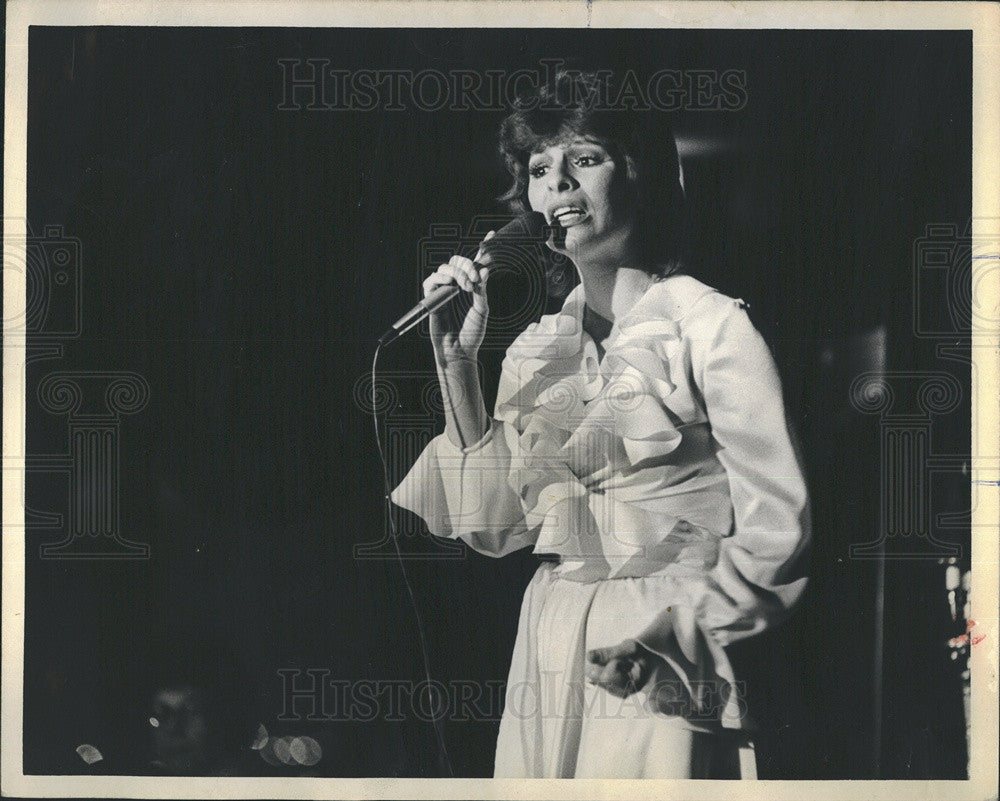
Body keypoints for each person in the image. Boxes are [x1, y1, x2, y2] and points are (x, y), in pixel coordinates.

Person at [390, 70, 811, 779]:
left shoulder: (708, 325)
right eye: (539, 169)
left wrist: (672, 639)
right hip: (551, 639)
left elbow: (779, 528)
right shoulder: (538, 346)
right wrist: (456, 368)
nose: (558, 185)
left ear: (640, 174)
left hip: (665, 638)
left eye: (585, 158)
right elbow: (498, 529)